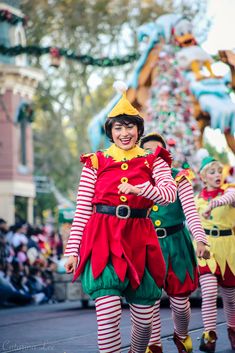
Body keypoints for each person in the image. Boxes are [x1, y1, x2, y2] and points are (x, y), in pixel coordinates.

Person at [64, 81, 177, 353]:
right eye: (118, 127)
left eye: (129, 126)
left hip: (140, 238)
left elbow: (169, 194)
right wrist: (72, 250)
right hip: (103, 236)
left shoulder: (154, 161)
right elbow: (81, 209)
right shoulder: (95, 162)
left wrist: (142, 189)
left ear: (138, 130)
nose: (124, 133)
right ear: (110, 132)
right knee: (108, 311)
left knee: (144, 321)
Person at [140, 133, 208, 353]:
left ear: (164, 154)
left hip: (176, 243)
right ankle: (154, 344)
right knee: (149, 302)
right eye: (146, 151)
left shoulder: (178, 177)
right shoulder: (134, 180)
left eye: (156, 150)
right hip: (147, 245)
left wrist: (200, 239)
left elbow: (191, 211)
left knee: (180, 303)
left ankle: (181, 334)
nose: (151, 154)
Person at [195, 156, 235, 353]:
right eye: (212, 172)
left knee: (231, 298)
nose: (217, 175)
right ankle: (209, 335)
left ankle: (233, 330)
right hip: (207, 248)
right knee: (209, 293)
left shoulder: (230, 191)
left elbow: (231, 198)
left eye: (219, 171)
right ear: (203, 177)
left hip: (229, 248)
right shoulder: (197, 200)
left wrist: (214, 204)